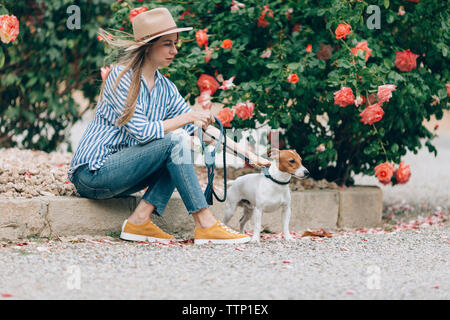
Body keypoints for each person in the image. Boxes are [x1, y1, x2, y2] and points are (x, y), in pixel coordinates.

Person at [67, 8, 270, 245]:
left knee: (181, 145)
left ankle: (140, 220)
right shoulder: (120, 77)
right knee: (177, 142)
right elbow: (144, 131)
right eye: (167, 44)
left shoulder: (165, 87)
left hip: (125, 176)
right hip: (93, 174)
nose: (174, 50)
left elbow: (199, 129)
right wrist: (188, 118)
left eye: (175, 43)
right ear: (148, 45)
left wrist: (247, 153)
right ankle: (205, 223)